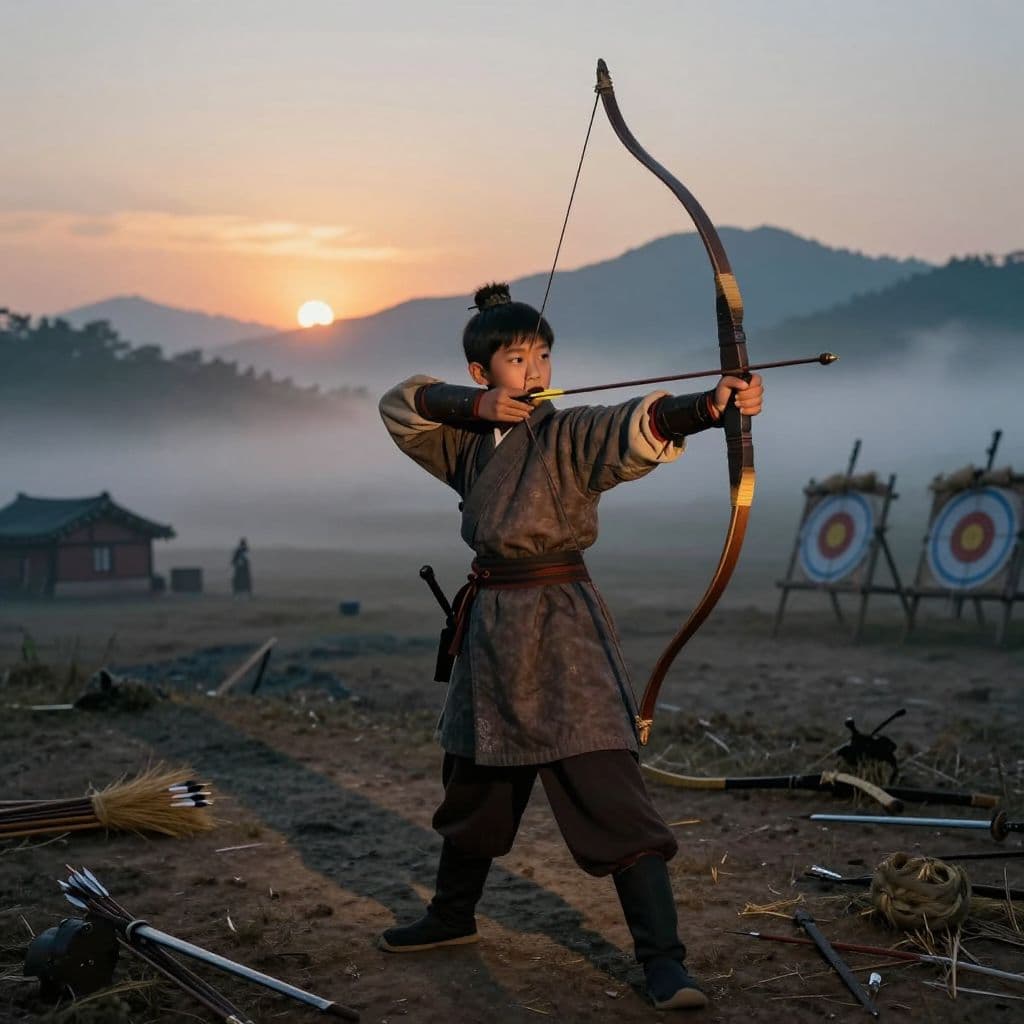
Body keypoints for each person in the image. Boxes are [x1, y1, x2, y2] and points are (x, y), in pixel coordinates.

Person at [377, 282, 763, 1011]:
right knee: (476, 786)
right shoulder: (460, 442)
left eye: (544, 355)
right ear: (483, 369)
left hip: (562, 627)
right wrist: (471, 407)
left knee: (609, 789)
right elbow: (399, 404)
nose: (536, 368)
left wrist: (709, 409)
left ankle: (664, 963)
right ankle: (451, 918)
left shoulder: (566, 433)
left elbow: (636, 424)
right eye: (517, 357)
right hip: (491, 633)